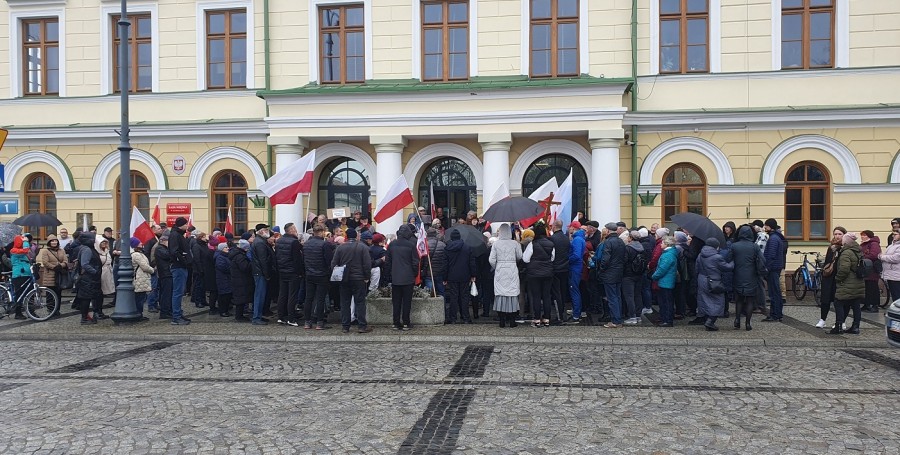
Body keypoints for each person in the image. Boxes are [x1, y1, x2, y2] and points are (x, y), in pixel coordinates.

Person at [331, 228, 372, 333]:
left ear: (346, 236)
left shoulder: (340, 248)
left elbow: (334, 264)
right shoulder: (362, 247)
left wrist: (338, 275)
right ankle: (362, 326)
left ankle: (345, 326)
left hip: (344, 279)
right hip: (359, 278)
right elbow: (367, 264)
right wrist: (367, 276)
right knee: (360, 302)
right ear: (357, 236)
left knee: (345, 302)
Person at [730, 225, 766, 331]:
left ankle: (737, 320)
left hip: (738, 275)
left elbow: (727, 258)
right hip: (751, 275)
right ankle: (748, 323)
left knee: (739, 300)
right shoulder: (754, 246)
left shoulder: (734, 246)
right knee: (750, 300)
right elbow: (762, 260)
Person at [695, 237, 733, 331]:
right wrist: (733, 262)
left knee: (704, 300)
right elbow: (727, 267)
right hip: (713, 281)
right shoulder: (717, 257)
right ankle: (710, 321)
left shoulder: (700, 255)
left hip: (701, 279)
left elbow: (696, 268)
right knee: (718, 301)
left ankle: (706, 318)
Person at [386, 224, 419, 330]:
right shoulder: (411, 245)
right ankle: (406, 323)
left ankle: (396, 323)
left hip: (395, 277)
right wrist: (414, 274)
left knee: (396, 302)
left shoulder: (392, 245)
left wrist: (389, 275)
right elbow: (415, 262)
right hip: (408, 277)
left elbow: (388, 262)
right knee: (407, 302)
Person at [489, 224, 522, 328]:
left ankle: (502, 321)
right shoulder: (515, 243)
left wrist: (497, 266)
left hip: (500, 269)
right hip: (512, 268)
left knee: (501, 293)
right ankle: (512, 321)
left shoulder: (496, 244)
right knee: (512, 293)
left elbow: (491, 260)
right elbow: (520, 256)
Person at [831, 233, 865, 335]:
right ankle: (855, 327)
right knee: (856, 305)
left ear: (845, 242)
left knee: (838, 303)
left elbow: (844, 269)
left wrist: (838, 278)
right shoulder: (858, 251)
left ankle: (838, 327)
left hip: (847, 282)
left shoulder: (846, 253)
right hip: (858, 282)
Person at [523, 222, 555, 328]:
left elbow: (525, 259)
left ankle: (537, 319)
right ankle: (547, 319)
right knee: (546, 296)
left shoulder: (532, 244)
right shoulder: (551, 244)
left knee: (536, 296)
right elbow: (552, 258)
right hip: (548, 273)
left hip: (534, 274)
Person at [302, 225, 332, 329]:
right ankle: (319, 322)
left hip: (309, 274)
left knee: (308, 298)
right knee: (320, 299)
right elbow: (328, 260)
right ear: (322, 232)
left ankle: (307, 322)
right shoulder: (325, 244)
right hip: (321, 274)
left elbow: (304, 259)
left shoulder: (306, 244)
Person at [597, 222, 626, 328]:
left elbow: (605, 259)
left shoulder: (608, 242)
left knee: (612, 297)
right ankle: (618, 319)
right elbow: (624, 257)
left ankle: (615, 321)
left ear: (608, 230)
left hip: (609, 273)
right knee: (617, 296)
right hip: (619, 272)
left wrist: (601, 269)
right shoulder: (620, 241)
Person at [275, 223, 304, 327]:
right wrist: (300, 272)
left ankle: (280, 316)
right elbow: (297, 259)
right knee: (292, 295)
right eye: (295, 228)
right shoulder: (294, 242)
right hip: (292, 272)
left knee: (282, 294)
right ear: (291, 230)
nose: (296, 230)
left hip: (282, 270)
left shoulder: (279, 241)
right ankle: (291, 318)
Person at [816, 227, 846, 328]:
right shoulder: (831, 247)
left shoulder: (845, 247)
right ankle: (822, 319)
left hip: (840, 277)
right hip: (829, 277)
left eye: (840, 234)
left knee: (839, 301)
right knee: (825, 299)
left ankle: (840, 322)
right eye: (835, 234)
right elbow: (827, 261)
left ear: (844, 235)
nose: (837, 236)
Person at [168, 217, 193, 325]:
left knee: (179, 292)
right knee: (177, 292)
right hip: (178, 267)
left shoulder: (178, 234)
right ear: (181, 225)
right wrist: (184, 260)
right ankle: (176, 317)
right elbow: (175, 252)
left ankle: (178, 314)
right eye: (185, 224)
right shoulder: (175, 235)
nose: (187, 226)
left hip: (181, 266)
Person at [73, 233, 102, 324]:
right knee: (86, 298)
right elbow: (85, 264)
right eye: (93, 239)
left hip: (90, 278)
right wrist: (95, 271)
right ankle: (84, 318)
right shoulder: (87, 250)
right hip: (88, 278)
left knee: (88, 297)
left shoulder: (86, 248)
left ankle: (87, 317)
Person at [762, 218, 786, 322]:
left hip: (773, 269)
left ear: (770, 227)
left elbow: (771, 255)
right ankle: (776, 314)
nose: (764, 227)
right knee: (775, 292)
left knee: (774, 293)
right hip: (776, 268)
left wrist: (767, 268)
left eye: (766, 225)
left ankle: (775, 314)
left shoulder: (773, 239)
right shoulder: (776, 237)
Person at [250, 224, 274, 325]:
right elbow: (263, 260)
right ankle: (256, 317)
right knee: (259, 295)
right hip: (260, 273)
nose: (267, 231)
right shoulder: (260, 243)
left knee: (260, 295)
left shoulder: (260, 241)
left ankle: (258, 315)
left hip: (259, 272)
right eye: (265, 229)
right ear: (260, 231)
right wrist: (267, 274)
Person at [651, 236, 678, 327]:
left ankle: (667, 320)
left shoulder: (668, 255)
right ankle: (665, 319)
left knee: (666, 302)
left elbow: (662, 269)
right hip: (666, 281)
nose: (661, 244)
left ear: (667, 244)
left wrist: (654, 276)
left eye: (662, 243)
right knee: (666, 301)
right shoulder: (670, 253)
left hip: (666, 282)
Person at [36, 234, 67, 307]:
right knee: (50, 294)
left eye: (55, 241)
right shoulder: (46, 251)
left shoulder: (62, 250)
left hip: (59, 275)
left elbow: (65, 261)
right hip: (49, 275)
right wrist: (54, 267)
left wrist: (60, 266)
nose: (54, 242)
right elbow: (45, 262)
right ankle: (50, 309)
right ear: (49, 242)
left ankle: (57, 309)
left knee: (58, 294)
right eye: (52, 241)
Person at [621, 230, 645, 325]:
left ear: (630, 238)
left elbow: (624, 261)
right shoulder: (642, 248)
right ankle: (638, 316)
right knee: (638, 295)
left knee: (629, 296)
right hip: (639, 274)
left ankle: (632, 316)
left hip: (628, 275)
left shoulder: (628, 248)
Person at [8, 235, 33, 320]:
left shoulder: (22, 251)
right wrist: (25, 241)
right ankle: (18, 313)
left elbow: (28, 254)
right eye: (21, 241)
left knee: (30, 293)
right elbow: (25, 250)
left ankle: (31, 311)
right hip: (19, 275)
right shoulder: (13, 250)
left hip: (27, 274)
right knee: (19, 295)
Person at [230, 239, 254, 322]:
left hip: (238, 279)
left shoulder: (237, 254)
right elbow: (244, 267)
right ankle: (239, 316)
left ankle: (239, 315)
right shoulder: (240, 256)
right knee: (241, 298)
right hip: (240, 280)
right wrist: (252, 263)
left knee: (240, 298)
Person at [859, 230, 882, 313]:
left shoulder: (873, 244)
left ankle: (874, 305)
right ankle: (867, 304)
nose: (862, 237)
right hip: (866, 268)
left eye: (864, 235)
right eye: (862, 235)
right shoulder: (863, 244)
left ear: (869, 236)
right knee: (867, 288)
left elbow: (874, 255)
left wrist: (863, 257)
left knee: (873, 287)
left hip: (872, 269)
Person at [568, 222, 586, 324]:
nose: (569, 229)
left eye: (570, 227)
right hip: (577, 267)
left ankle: (576, 315)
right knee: (575, 290)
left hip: (574, 268)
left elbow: (576, 255)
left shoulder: (577, 240)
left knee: (574, 290)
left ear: (573, 228)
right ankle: (576, 313)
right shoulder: (579, 238)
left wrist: (567, 260)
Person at [131, 237, 153, 316]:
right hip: (140, 278)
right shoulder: (137, 255)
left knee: (141, 297)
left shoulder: (139, 254)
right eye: (139, 242)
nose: (141, 243)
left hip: (141, 277)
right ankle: (139, 314)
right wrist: (152, 270)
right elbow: (144, 266)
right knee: (140, 298)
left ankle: (139, 313)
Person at [421, 228, 447, 297]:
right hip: (439, 272)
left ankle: (430, 304)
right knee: (441, 292)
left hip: (428, 272)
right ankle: (442, 304)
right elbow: (445, 260)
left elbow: (422, 260)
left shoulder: (425, 245)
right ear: (435, 234)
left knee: (428, 292)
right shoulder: (443, 245)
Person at [95, 236, 115, 319]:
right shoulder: (96, 252)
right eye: (102, 242)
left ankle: (100, 311)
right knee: (98, 294)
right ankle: (97, 311)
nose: (104, 243)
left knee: (102, 294)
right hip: (100, 273)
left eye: (105, 242)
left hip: (107, 273)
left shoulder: (107, 251)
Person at [155, 233, 174, 320]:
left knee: (167, 293)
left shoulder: (162, 248)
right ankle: (165, 311)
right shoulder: (159, 249)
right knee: (166, 294)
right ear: (163, 241)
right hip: (165, 273)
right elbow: (168, 255)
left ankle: (167, 310)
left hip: (166, 273)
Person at [880, 224, 900, 304]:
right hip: (891, 274)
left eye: (895, 234)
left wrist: (882, 257)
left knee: (897, 296)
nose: (893, 236)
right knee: (894, 295)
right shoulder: (892, 245)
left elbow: (895, 258)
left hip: (896, 275)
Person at [214, 242, 233, 318]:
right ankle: (223, 311)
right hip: (223, 279)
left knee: (227, 295)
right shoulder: (220, 257)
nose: (228, 248)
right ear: (222, 249)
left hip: (227, 278)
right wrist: (231, 269)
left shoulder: (226, 256)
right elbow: (223, 267)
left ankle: (225, 310)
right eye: (226, 247)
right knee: (223, 296)